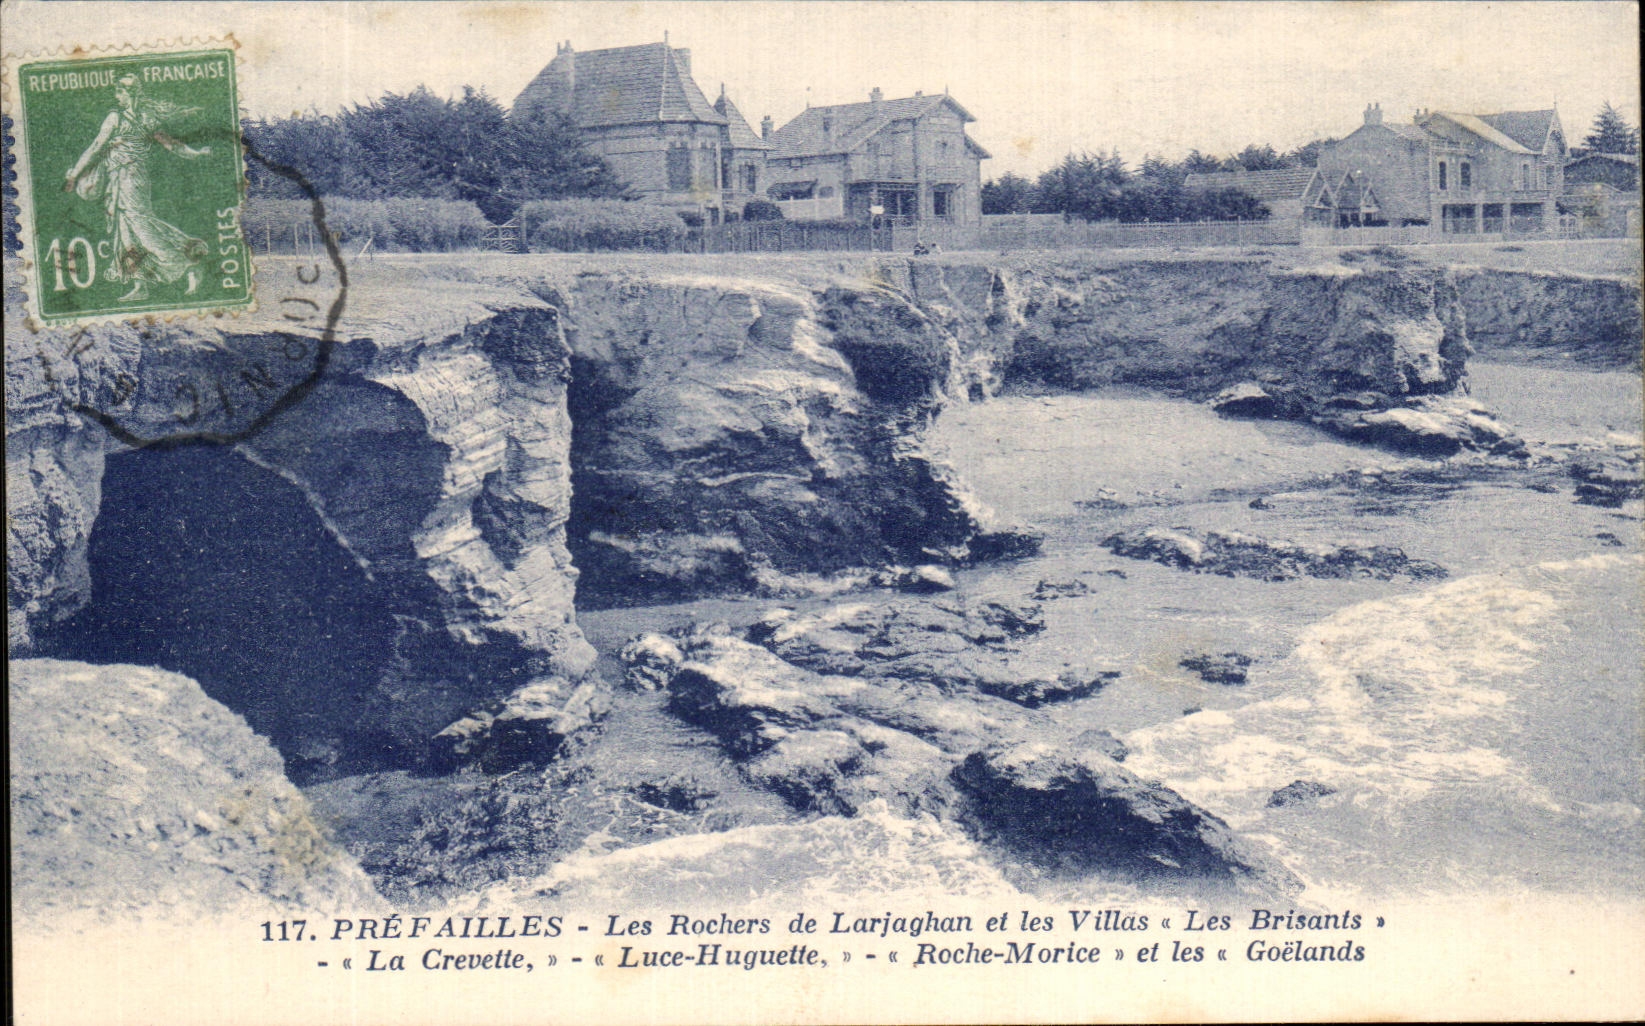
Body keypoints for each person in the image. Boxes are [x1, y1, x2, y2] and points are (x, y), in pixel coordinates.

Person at [64, 74, 212, 302]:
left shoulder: (129, 118)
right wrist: (196, 153)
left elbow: (96, 147)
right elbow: (171, 145)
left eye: (120, 91)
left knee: (142, 226)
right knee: (125, 232)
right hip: (117, 180)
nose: (117, 96)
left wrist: (74, 174)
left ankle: (187, 263)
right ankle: (140, 284)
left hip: (133, 179)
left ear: (127, 93)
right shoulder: (131, 117)